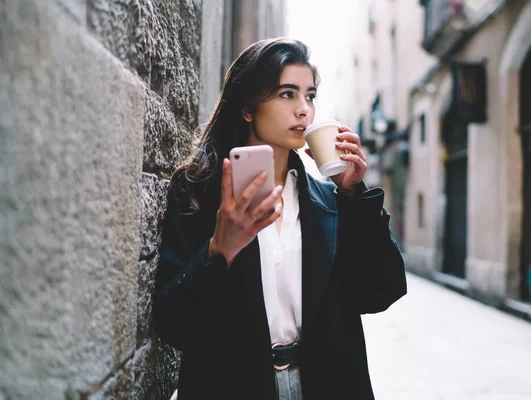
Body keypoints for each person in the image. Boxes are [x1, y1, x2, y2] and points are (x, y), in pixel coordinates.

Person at [154, 37, 407, 400]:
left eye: (310, 96)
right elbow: (173, 323)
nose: (304, 109)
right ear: (247, 108)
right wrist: (219, 251)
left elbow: (381, 291)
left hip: (325, 383)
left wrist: (354, 196)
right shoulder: (198, 192)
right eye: (287, 94)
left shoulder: (329, 200)